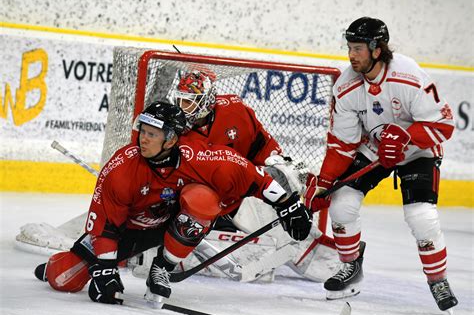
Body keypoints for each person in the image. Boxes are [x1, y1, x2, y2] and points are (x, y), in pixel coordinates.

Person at [34, 101, 312, 304]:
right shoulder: (122, 168)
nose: (143, 138)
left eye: (152, 134)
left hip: (170, 220)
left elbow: (256, 177)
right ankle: (51, 267)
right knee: (66, 278)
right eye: (143, 131)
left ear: (171, 138)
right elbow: (105, 227)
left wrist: (289, 204)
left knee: (203, 202)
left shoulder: (203, 158)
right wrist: (105, 271)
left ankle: (162, 268)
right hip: (129, 229)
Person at [303, 17, 457, 312]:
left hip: (416, 152)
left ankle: (438, 280)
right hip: (374, 150)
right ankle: (351, 267)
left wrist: (406, 136)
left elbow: (444, 125)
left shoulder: (409, 75)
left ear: (377, 49)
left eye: (358, 48)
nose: (351, 55)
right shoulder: (347, 86)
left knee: (421, 216)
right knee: (341, 204)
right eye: (349, 47)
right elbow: (342, 145)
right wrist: (324, 183)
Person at [172, 70, 341, 279]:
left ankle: (321, 250)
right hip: (203, 198)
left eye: (188, 102)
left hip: (241, 188)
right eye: (179, 101)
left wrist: (289, 184)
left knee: (284, 172)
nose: (181, 108)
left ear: (206, 101)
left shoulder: (234, 110)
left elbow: (263, 147)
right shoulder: (174, 128)